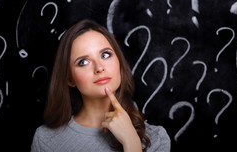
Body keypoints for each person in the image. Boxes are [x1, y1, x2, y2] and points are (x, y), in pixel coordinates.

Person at [31, 19, 170, 152]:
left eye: (105, 55)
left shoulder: (156, 139)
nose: (99, 68)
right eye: (83, 62)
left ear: (119, 61)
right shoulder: (46, 140)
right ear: (70, 79)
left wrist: (132, 142)